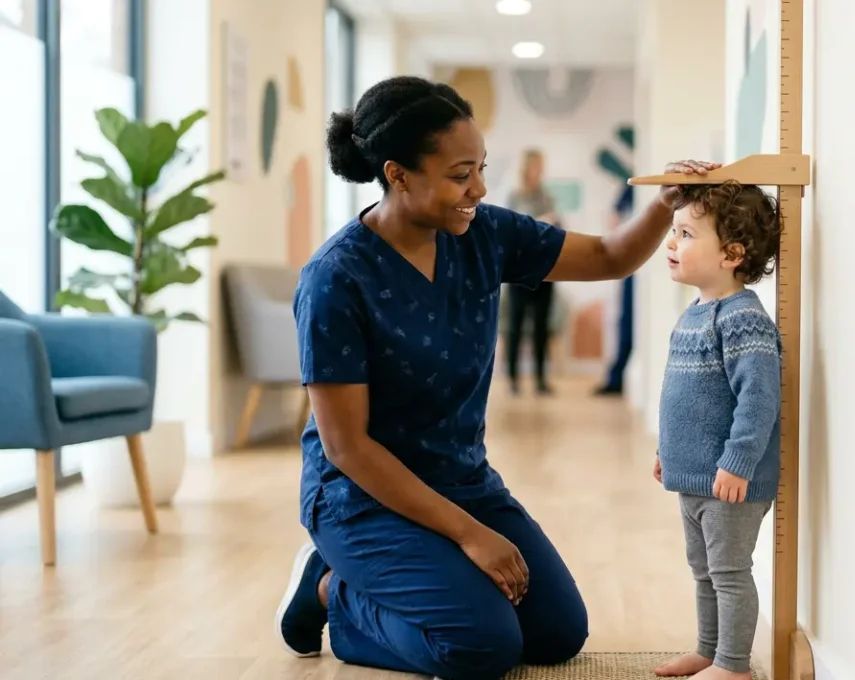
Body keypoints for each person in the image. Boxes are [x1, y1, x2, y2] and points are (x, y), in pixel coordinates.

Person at [273, 74, 719, 680]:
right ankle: (332, 592)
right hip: (362, 499)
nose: (478, 188)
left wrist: (667, 201)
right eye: (461, 174)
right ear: (397, 173)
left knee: (557, 633)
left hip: (462, 479)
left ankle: (373, 584)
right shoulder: (335, 279)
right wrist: (470, 535)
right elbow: (347, 448)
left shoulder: (483, 233)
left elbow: (612, 257)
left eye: (480, 168)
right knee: (481, 646)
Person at [651, 181, 783, 680]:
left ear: (730, 254)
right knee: (703, 570)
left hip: (730, 480)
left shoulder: (744, 318)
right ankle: (709, 650)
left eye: (685, 233)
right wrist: (667, 451)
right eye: (673, 231)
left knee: (729, 573)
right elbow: (678, 397)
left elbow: (759, 398)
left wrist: (738, 461)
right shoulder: (694, 314)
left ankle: (733, 665)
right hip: (693, 477)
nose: (671, 243)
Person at [503, 148, 558, 395]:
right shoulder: (515, 196)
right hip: (519, 271)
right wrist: (541, 220)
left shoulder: (546, 196)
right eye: (536, 166)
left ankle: (540, 379)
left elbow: (556, 227)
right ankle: (513, 379)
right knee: (515, 325)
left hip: (545, 270)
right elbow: (515, 229)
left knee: (541, 326)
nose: (540, 171)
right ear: (526, 168)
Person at [595, 183, 635, 396]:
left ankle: (616, 378)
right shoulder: (630, 188)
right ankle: (616, 378)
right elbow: (613, 219)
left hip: (636, 266)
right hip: (632, 266)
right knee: (625, 321)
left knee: (628, 322)